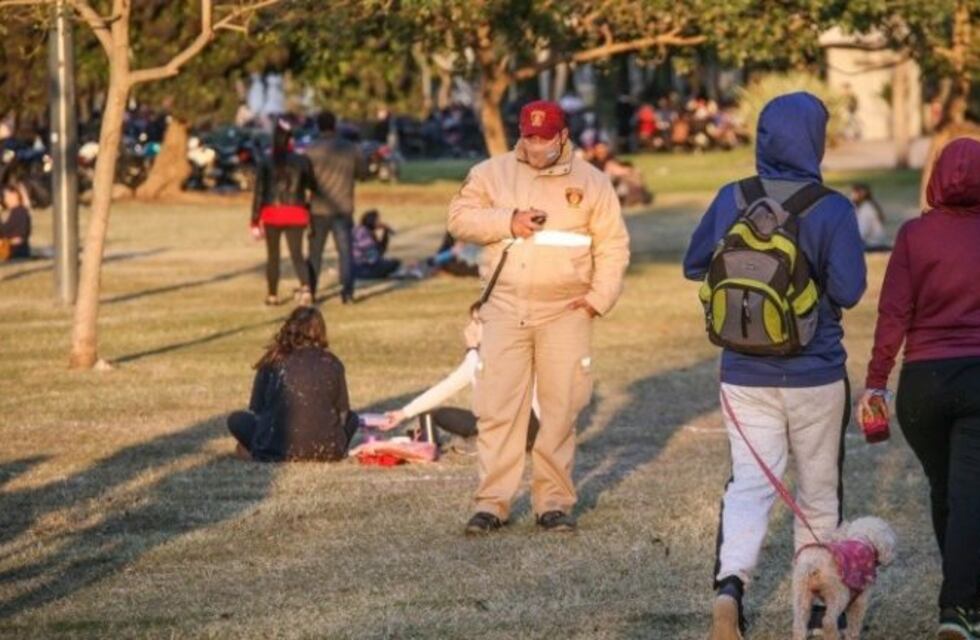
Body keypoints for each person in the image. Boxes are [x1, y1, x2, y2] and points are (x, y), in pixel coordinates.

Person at [683, 92, 867, 640]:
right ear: (814, 139)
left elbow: (696, 265)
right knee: (817, 491)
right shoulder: (831, 206)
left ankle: (729, 592)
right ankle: (815, 612)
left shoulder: (730, 196)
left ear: (762, 137)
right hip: (816, 372)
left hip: (744, 374)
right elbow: (850, 291)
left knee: (749, 486)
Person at [447, 99, 630, 535]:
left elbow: (613, 246)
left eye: (544, 136)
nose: (535, 144)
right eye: (528, 135)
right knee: (497, 409)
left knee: (561, 408)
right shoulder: (491, 172)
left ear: (562, 135)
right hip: (506, 308)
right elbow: (459, 219)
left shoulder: (592, 181)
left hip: (565, 311)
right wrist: (508, 220)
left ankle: (553, 502)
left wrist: (597, 299)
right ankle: (492, 503)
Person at [860, 138, 980, 640]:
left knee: (947, 490)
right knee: (971, 495)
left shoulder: (913, 235)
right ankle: (958, 607)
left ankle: (963, 600)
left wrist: (875, 382)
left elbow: (894, 314)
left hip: (922, 385)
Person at [382, 303, 540, 451]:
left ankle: (498, 441)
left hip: (531, 425)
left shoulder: (517, 353)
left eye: (478, 322)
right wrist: (403, 413)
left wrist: (471, 351)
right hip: (498, 424)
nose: (470, 328)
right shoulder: (477, 358)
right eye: (472, 321)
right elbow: (445, 388)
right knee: (440, 415)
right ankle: (485, 438)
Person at [227, 306, 359, 462]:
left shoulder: (273, 360)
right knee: (354, 418)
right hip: (329, 449)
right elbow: (343, 413)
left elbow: (257, 409)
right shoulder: (333, 362)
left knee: (236, 419)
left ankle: (256, 449)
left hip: (275, 447)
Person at [251, 118, 316, 306]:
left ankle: (272, 295)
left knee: (273, 255)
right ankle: (306, 288)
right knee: (296, 253)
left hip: (272, 212)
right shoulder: (302, 161)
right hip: (296, 212)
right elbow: (312, 185)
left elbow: (259, 193)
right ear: (291, 140)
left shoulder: (266, 161)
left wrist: (254, 220)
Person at [305, 110, 365, 304]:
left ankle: (311, 291)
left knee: (315, 254)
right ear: (335, 125)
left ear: (318, 126)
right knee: (345, 252)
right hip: (343, 206)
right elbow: (362, 173)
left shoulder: (311, 150)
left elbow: (305, 179)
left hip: (318, 208)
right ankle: (347, 293)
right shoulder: (350, 148)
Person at [352, 209, 401, 280]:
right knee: (395, 263)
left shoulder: (364, 231)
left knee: (393, 263)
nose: (380, 222)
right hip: (362, 268)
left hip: (357, 268)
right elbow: (373, 258)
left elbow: (379, 252)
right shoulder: (363, 234)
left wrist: (385, 232)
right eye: (377, 220)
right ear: (371, 221)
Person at [851, 183, 890, 251]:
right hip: (875, 243)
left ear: (861, 194)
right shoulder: (867, 206)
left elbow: (861, 233)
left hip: (873, 245)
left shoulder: (866, 209)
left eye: (854, 193)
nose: (852, 196)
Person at [0, 182, 31, 260]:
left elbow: (6, 232)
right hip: (13, 250)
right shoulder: (18, 211)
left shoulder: (19, 212)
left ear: (15, 196)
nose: (5, 199)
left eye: (7, 196)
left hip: (15, 251)